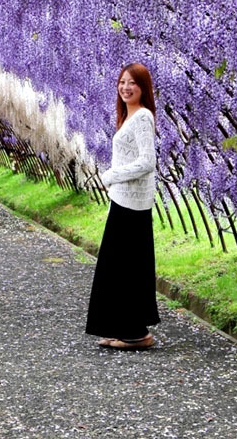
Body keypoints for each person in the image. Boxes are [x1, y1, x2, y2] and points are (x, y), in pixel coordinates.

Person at [85, 62, 160, 350]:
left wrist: (112, 176)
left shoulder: (142, 117)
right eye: (122, 82)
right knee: (116, 266)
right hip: (123, 200)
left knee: (126, 267)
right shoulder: (129, 116)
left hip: (133, 205)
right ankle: (120, 328)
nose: (126, 87)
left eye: (133, 83)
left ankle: (136, 334)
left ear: (143, 88)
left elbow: (147, 161)